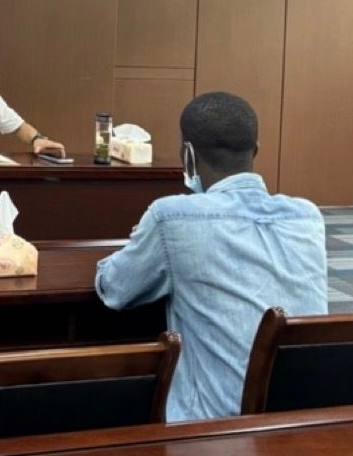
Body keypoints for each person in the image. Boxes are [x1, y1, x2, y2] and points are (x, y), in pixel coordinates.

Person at [93, 91, 327, 421]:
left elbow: (114, 288)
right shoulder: (307, 217)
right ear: (255, 150)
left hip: (210, 432)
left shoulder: (171, 217)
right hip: (302, 422)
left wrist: (141, 242)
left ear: (187, 155)